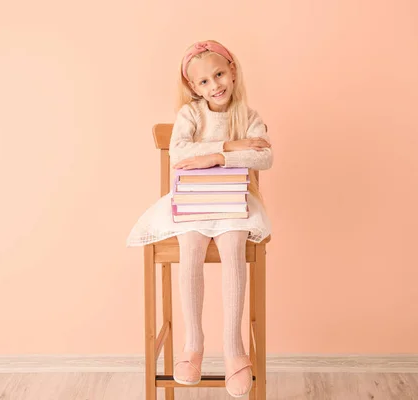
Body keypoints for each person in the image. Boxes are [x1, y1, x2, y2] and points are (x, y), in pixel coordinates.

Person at [126, 39, 273, 398]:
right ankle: (193, 345)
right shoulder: (190, 115)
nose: (215, 85)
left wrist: (217, 159)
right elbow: (179, 152)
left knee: (234, 248)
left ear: (233, 71)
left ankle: (234, 349)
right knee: (190, 249)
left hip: (233, 205)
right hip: (193, 204)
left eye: (219, 74)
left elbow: (264, 157)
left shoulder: (248, 116)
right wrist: (229, 147)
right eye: (204, 82)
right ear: (193, 87)